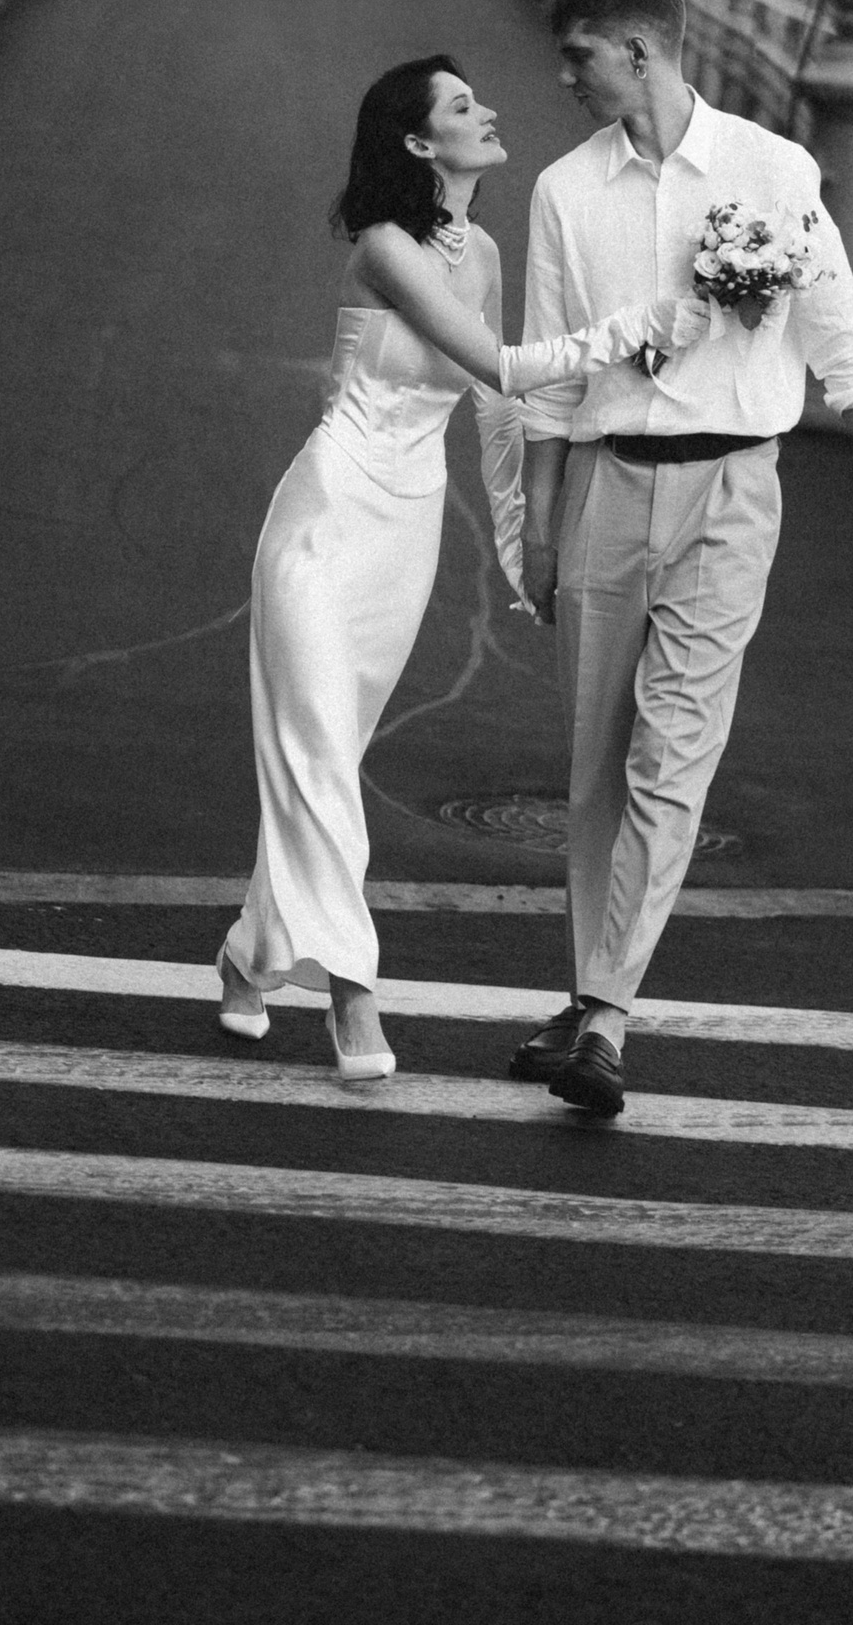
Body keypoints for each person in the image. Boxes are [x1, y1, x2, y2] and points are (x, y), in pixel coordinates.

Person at [215, 54, 704, 1084]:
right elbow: (506, 365)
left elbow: (494, 412)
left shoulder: (479, 251)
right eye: (462, 106)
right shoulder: (386, 248)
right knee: (314, 747)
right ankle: (353, 991)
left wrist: (527, 543)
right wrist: (641, 326)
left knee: (327, 751)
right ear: (416, 141)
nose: (488, 113)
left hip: (405, 530)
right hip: (325, 515)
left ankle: (251, 953)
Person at [513, 0, 853, 1120]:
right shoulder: (563, 191)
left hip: (735, 491)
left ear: (640, 51)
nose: (565, 78)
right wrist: (536, 528)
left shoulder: (773, 170)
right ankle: (589, 994)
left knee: (673, 758)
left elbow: (841, 345)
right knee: (595, 767)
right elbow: (546, 381)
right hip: (605, 487)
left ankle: (606, 1020)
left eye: (580, 57)